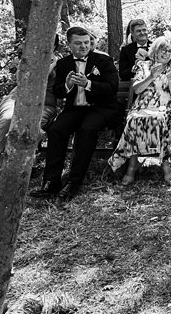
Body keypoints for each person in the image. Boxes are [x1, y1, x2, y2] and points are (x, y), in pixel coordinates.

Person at [30, 26, 119, 201]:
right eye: (78, 43)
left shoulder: (103, 61)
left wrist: (88, 84)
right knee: (56, 129)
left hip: (102, 108)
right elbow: (57, 92)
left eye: (86, 42)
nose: (83, 46)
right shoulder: (63, 64)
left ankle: (74, 182)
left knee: (87, 130)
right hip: (75, 109)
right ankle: (50, 182)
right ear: (69, 45)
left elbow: (112, 89)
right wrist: (67, 86)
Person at [109, 35, 171, 185]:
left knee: (158, 119)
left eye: (170, 51)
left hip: (168, 108)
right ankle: (132, 166)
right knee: (134, 119)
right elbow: (137, 89)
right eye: (163, 50)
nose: (166, 54)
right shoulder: (144, 66)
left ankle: (164, 165)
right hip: (143, 106)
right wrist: (151, 76)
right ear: (155, 51)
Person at [0, 36, 61, 178]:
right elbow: (25, 81)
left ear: (55, 46)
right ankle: (3, 157)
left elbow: (41, 80)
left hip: (44, 104)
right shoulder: (28, 59)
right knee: (9, 119)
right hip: (16, 98)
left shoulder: (60, 63)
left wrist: (53, 63)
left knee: (31, 124)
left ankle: (25, 161)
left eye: (49, 44)